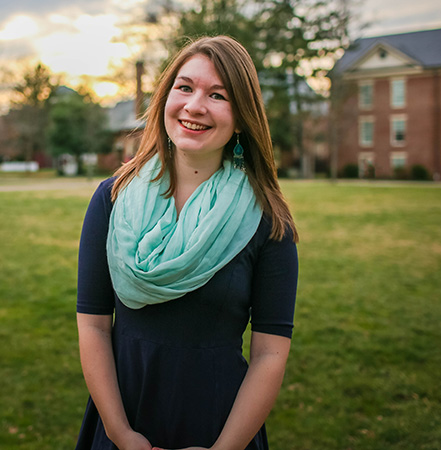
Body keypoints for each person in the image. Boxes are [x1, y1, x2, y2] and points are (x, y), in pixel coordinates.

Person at [75, 36, 299, 450]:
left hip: (219, 425)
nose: (195, 106)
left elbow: (270, 353)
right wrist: (121, 433)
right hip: (120, 420)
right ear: (165, 97)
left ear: (243, 116)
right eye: (185, 87)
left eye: (218, 95)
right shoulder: (112, 199)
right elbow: (92, 324)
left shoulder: (267, 221)